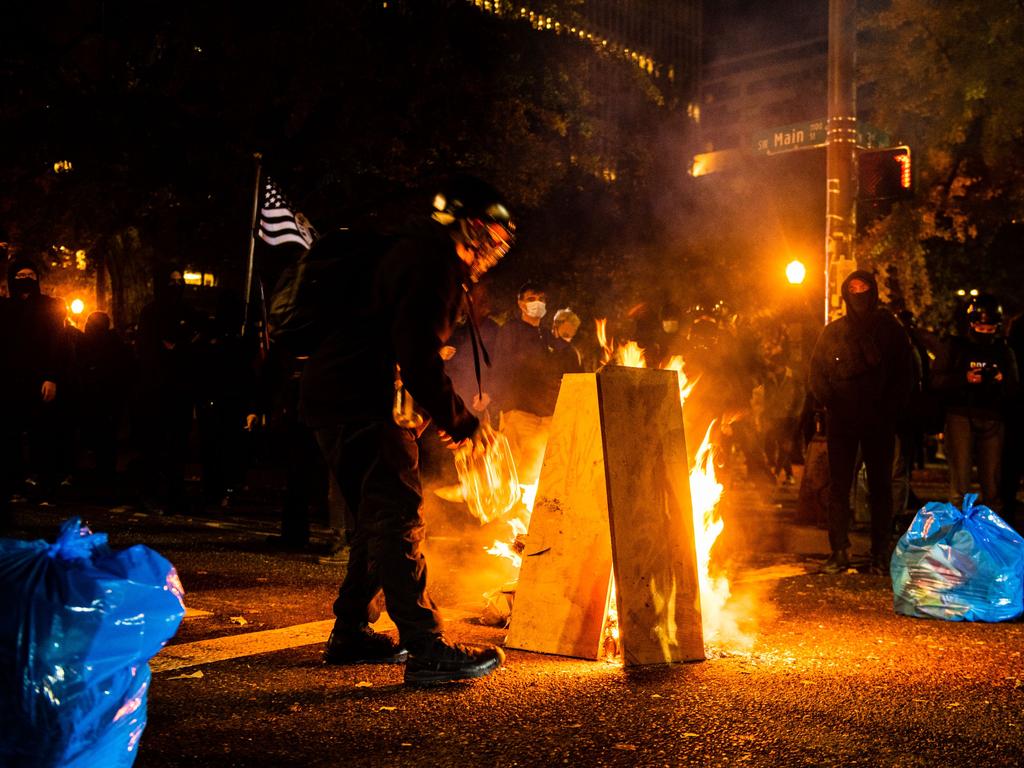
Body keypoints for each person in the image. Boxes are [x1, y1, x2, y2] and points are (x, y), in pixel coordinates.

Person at [299, 175, 513, 685]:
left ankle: (350, 631)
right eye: (497, 232)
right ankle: (427, 647)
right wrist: (460, 421)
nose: (501, 245)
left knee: (377, 522)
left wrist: (432, 412)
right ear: (472, 227)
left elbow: (397, 345)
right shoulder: (434, 262)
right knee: (398, 519)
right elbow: (416, 356)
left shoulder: (411, 254)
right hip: (360, 401)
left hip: (342, 396)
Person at [809, 270, 915, 575]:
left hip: (879, 419)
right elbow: (816, 371)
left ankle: (879, 553)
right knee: (839, 485)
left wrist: (890, 407)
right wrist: (830, 401)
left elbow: (904, 373)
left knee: (880, 486)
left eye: (863, 288)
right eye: (852, 288)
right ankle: (839, 551)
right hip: (842, 419)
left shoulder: (890, 330)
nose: (858, 294)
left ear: (873, 291)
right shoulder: (833, 332)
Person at [933, 294, 1019, 512]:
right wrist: (964, 378)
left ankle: (991, 536)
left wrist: (1001, 379)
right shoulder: (955, 346)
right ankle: (958, 535)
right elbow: (936, 381)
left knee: (991, 484)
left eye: (990, 329)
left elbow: (1015, 387)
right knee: (959, 482)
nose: (985, 332)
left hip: (992, 416)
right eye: (981, 327)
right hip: (960, 414)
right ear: (971, 323)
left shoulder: (1004, 350)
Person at [0, 257, 71, 508]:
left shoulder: (49, 307)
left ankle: (44, 488)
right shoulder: (5, 309)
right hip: (9, 382)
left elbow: (57, 344)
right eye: (20, 276)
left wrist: (52, 376)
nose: (25, 281)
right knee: (10, 437)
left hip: (40, 380)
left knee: (43, 436)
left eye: (30, 275)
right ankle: (14, 487)